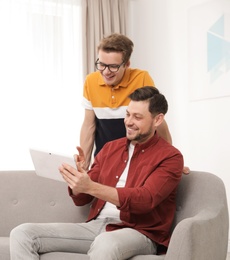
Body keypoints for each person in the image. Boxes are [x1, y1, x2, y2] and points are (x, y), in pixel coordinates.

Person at [10, 87, 184, 259]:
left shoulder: (171, 157)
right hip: (97, 225)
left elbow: (144, 200)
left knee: (105, 243)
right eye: (128, 114)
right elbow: (82, 199)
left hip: (139, 232)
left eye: (137, 117)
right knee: (23, 233)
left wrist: (91, 186)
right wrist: (78, 179)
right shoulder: (110, 148)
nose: (129, 122)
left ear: (158, 120)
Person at [80, 33, 175, 171]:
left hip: (139, 161)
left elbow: (157, 123)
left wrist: (172, 159)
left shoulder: (141, 78)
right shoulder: (91, 81)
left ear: (127, 64)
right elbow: (89, 126)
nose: (106, 72)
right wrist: (83, 167)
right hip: (105, 162)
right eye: (101, 64)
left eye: (113, 66)